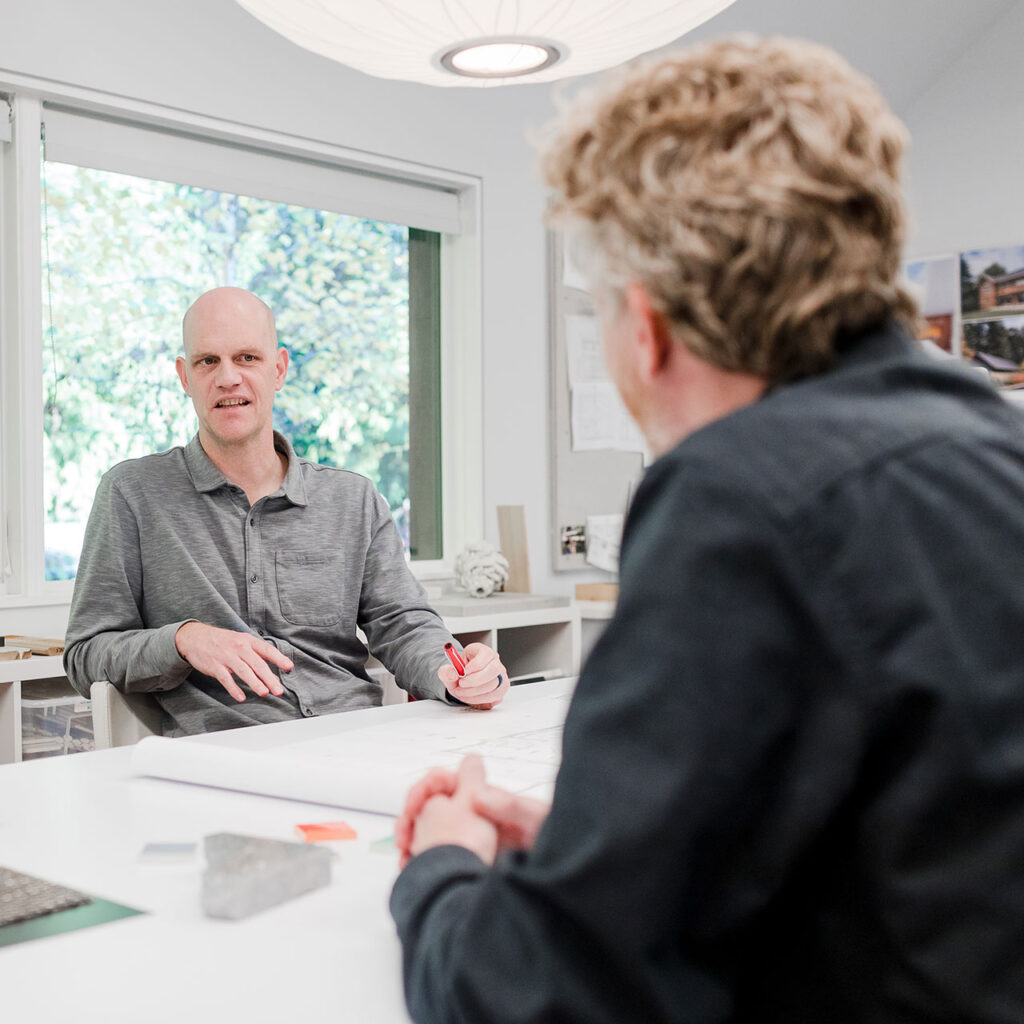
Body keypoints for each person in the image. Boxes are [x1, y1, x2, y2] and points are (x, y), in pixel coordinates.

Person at [389, 35, 1024, 1022]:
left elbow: (537, 999)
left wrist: (441, 868)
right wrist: (613, 846)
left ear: (644, 327)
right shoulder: (988, 444)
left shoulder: (737, 496)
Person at [64, 287, 508, 735]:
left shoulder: (353, 499)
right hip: (223, 759)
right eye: (207, 361)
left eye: (247, 358)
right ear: (185, 377)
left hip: (356, 741)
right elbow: (86, 655)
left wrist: (454, 673)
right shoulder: (132, 494)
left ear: (278, 369)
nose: (228, 378)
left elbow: (403, 624)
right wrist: (183, 640)